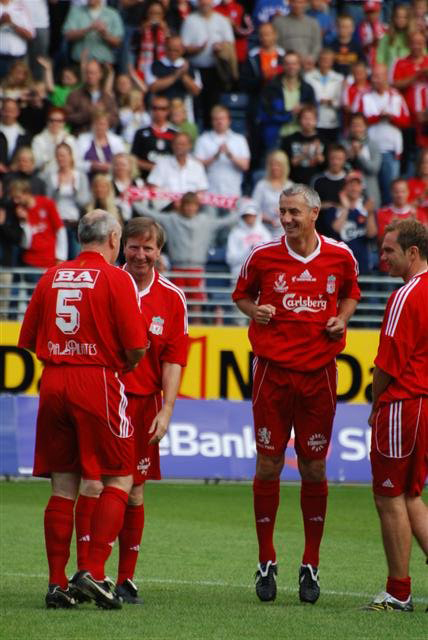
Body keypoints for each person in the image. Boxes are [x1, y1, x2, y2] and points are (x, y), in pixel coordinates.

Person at [232, 183, 360, 604]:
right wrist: (256, 311)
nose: (286, 219)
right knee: (268, 464)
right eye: (282, 211)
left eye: (293, 212)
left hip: (319, 375)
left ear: (314, 213)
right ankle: (266, 560)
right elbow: (241, 296)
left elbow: (351, 294)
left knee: (314, 468)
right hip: (272, 373)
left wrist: (341, 318)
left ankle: (311, 562)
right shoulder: (262, 255)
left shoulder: (340, 255)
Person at [17, 209, 148, 609]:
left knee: (63, 486)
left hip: (54, 380)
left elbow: (27, 339)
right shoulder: (116, 277)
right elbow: (137, 346)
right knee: (119, 478)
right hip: (97, 380)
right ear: (113, 239)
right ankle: (92, 570)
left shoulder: (51, 275)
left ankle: (57, 582)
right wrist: (117, 364)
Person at [76, 216, 188, 604]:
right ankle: (89, 572)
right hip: (102, 398)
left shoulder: (172, 297)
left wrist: (167, 408)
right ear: (121, 246)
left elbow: (175, 358)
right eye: (134, 247)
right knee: (92, 484)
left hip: (143, 406)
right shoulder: (105, 282)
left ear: (159, 251)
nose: (140, 255)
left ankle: (125, 578)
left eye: (148, 248)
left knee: (135, 492)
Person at [365, 218, 428, 612]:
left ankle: (398, 591)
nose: (381, 256)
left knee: (388, 497)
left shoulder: (406, 296)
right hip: (424, 403)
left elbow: (387, 363)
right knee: (410, 496)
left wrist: (376, 406)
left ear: (412, 253)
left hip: (403, 403)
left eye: (389, 250)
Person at [194, 105, 250, 198]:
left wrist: (230, 155)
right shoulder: (203, 139)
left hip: (233, 192)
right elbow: (196, 166)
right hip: (210, 192)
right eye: (216, 119)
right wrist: (215, 157)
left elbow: (245, 166)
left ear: (229, 120)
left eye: (222, 118)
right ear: (212, 121)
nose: (219, 122)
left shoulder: (239, 139)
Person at [63, 0, 124, 66]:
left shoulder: (112, 13)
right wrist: (88, 29)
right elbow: (67, 35)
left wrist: (104, 34)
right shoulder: (76, 11)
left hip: (104, 63)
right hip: (79, 62)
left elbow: (118, 42)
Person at [226, 197, 272, 281]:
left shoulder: (264, 233)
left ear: (256, 216)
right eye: (247, 216)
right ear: (242, 217)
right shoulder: (235, 233)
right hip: (240, 276)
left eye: (252, 215)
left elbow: (270, 257)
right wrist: (249, 251)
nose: (249, 218)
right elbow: (230, 259)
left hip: (260, 276)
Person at [252, 149, 294, 236]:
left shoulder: (291, 186)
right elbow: (253, 209)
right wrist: (267, 219)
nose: (274, 167)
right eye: (272, 164)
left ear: (284, 166)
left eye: (278, 164)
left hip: (286, 231)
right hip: (263, 230)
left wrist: (284, 212)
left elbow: (296, 210)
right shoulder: (261, 185)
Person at [272, 0, 322, 71]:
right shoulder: (278, 22)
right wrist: (287, 61)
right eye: (294, 2)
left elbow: (317, 45)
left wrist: (312, 58)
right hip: (286, 66)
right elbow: (275, 45)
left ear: (306, 4)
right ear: (289, 3)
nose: (297, 5)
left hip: (307, 66)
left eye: (301, 2)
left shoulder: (313, 23)